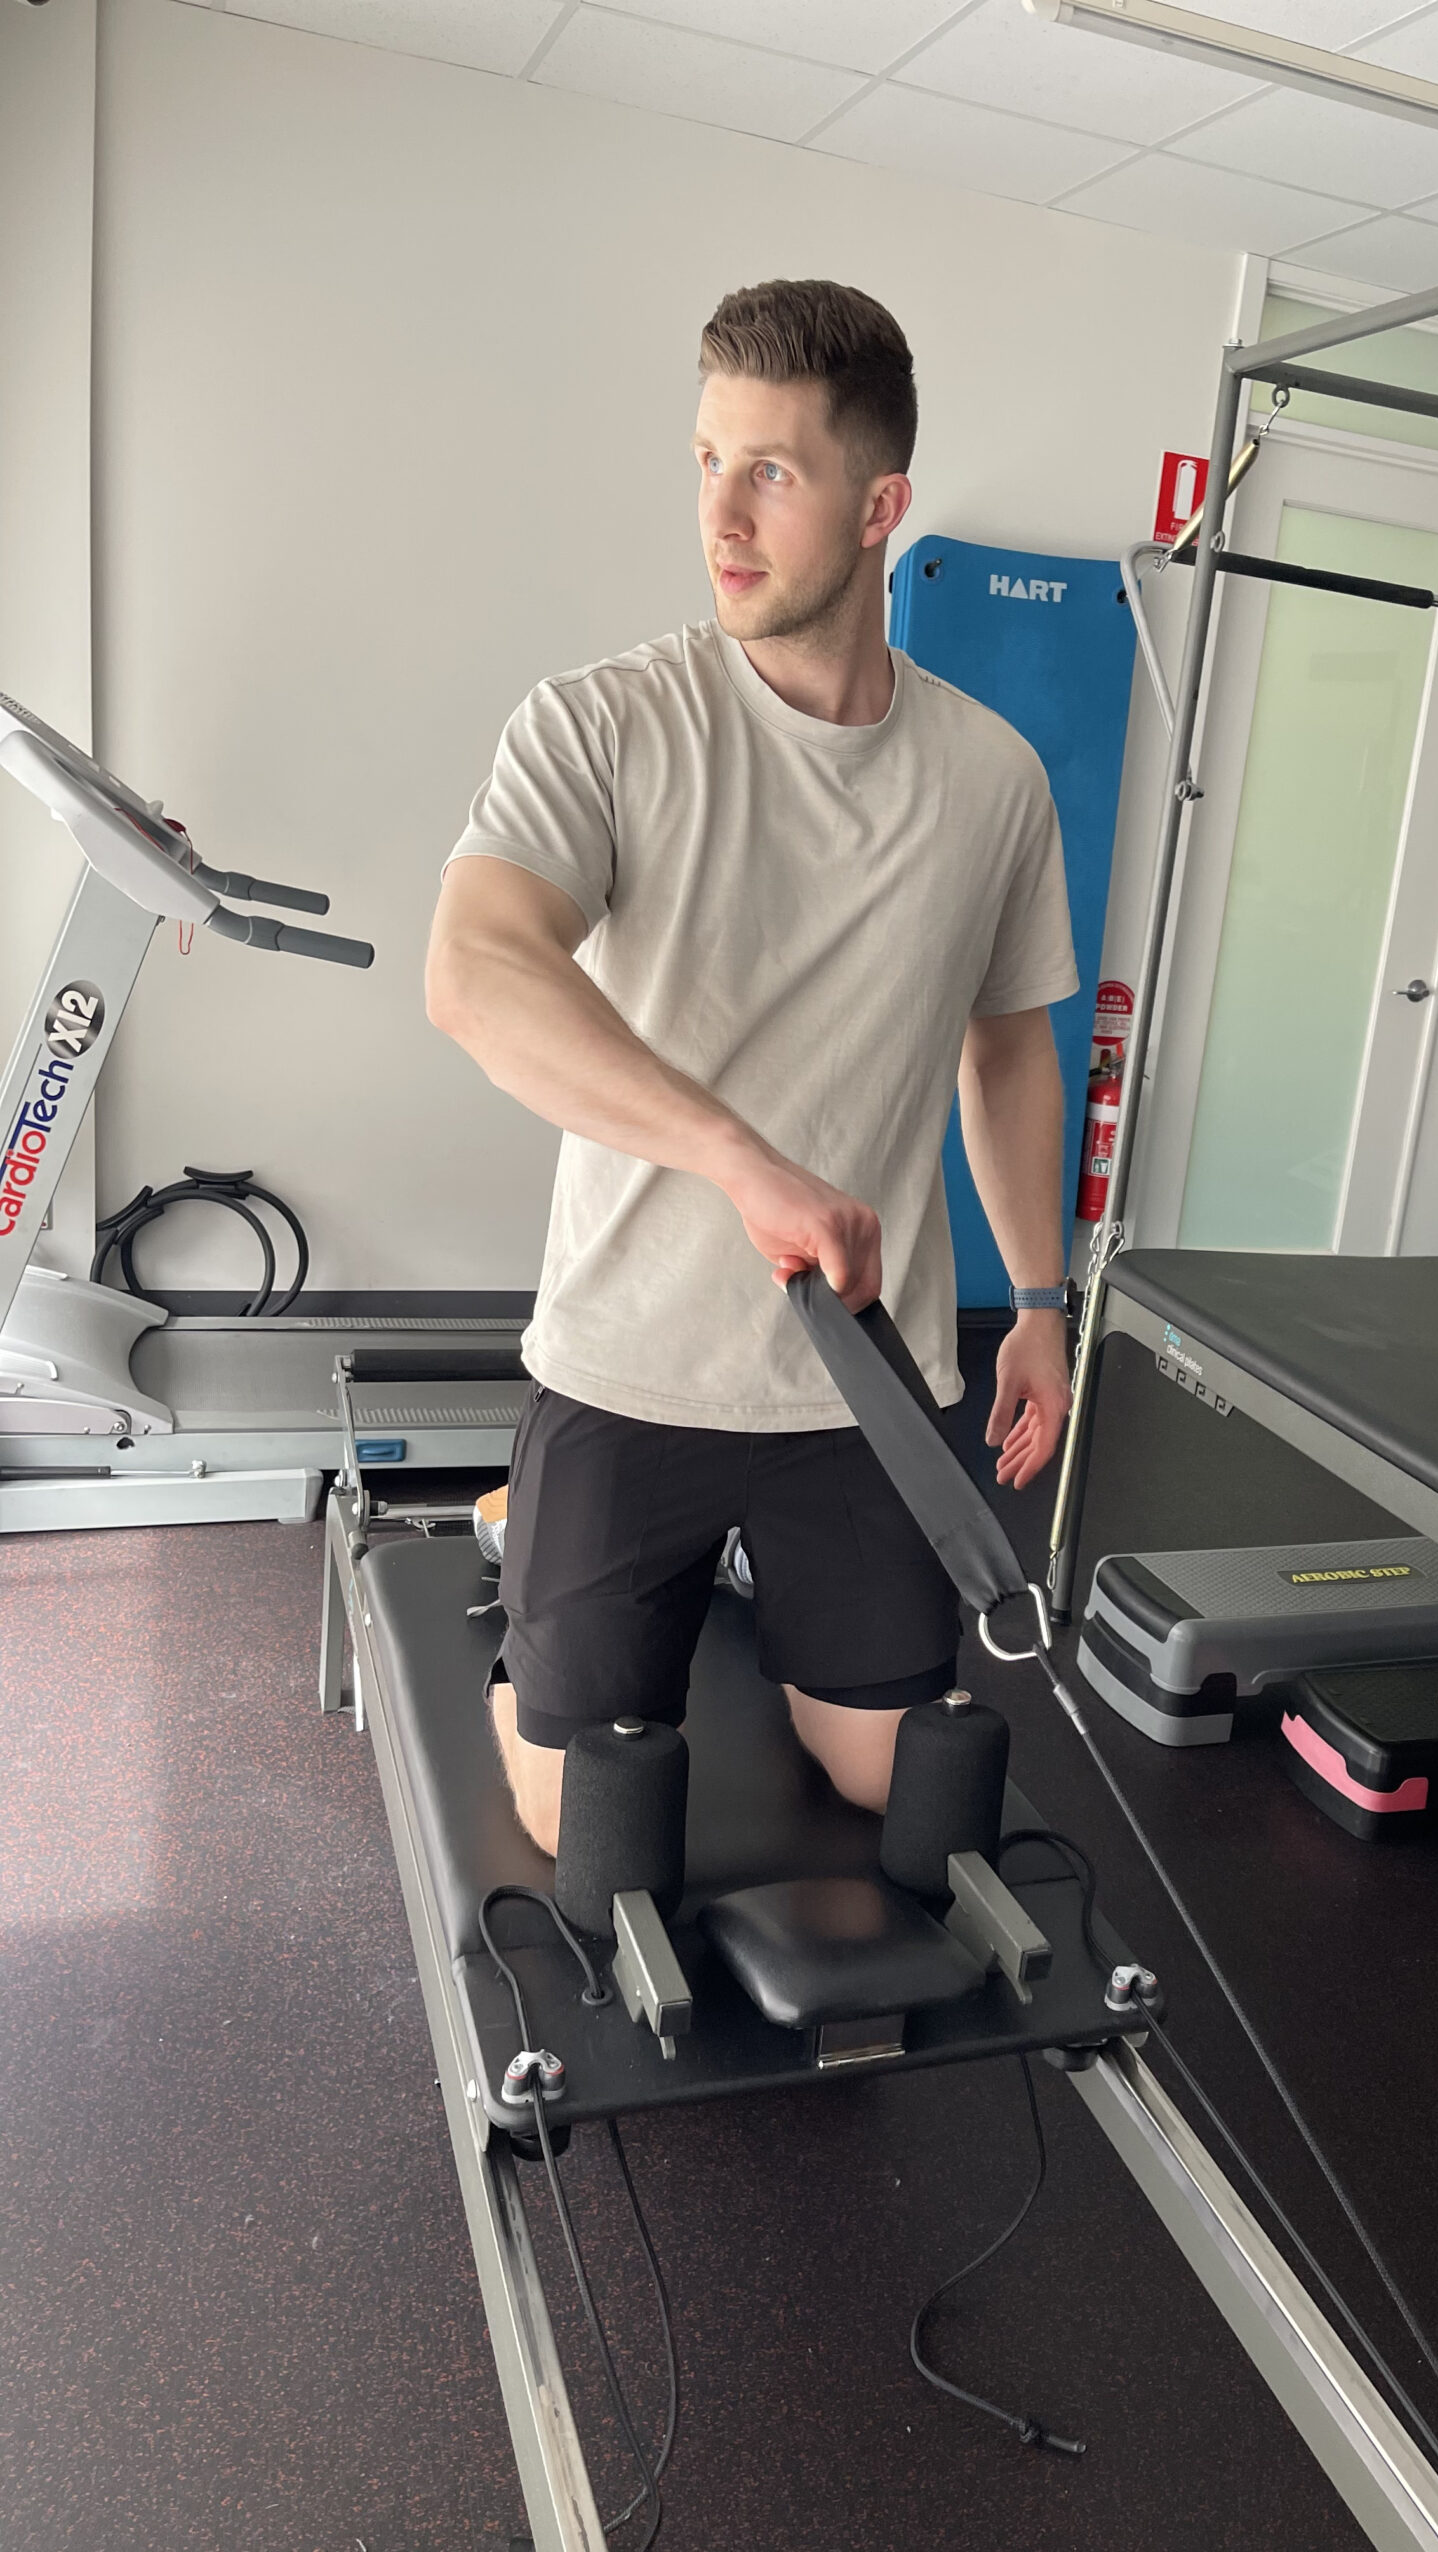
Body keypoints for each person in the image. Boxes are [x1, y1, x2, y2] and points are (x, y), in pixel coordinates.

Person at [425, 278, 1077, 1858]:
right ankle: (531, 1556)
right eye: (706, 458)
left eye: (770, 470)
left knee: (889, 1785)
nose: (720, 512)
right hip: (629, 1363)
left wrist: (1047, 1309)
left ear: (881, 506)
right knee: (589, 1814)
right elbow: (476, 973)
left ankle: (754, 1585)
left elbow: (1005, 1054)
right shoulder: (606, 724)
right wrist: (741, 1158)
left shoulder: (992, 778)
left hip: (865, 1379)